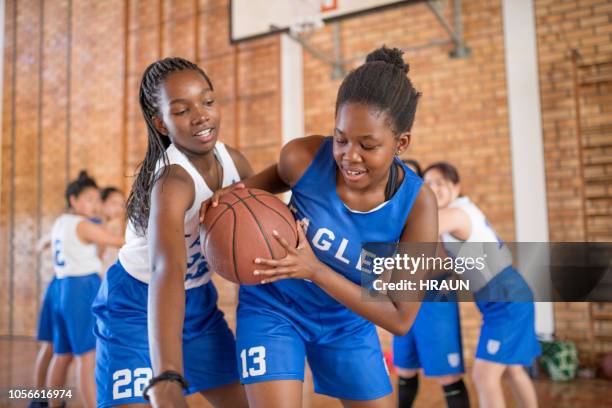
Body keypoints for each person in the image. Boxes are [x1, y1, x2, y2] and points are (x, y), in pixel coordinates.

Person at [203, 46, 438, 408]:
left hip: (348, 321)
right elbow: (240, 200)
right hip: (274, 306)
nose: (349, 155)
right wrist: (218, 208)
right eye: (341, 138)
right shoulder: (304, 158)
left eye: (368, 145)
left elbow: (400, 317)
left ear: (401, 143)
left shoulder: (417, 207)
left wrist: (314, 270)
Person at [92, 57, 252, 408]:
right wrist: (166, 374)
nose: (201, 115)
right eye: (181, 110)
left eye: (207, 101)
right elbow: (167, 271)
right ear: (160, 123)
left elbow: (258, 218)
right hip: (138, 303)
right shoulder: (172, 181)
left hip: (198, 304)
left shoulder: (233, 163)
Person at [423, 162, 540, 408]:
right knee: (513, 370)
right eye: (428, 183)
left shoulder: (454, 214)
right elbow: (442, 262)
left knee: (484, 377)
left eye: (440, 182)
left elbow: (419, 232)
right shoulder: (458, 213)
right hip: (506, 295)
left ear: (456, 186)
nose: (433, 188)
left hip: (506, 299)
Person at [46, 171, 124, 408]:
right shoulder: (82, 224)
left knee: (63, 355)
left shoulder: (62, 221)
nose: (94, 204)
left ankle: (53, 404)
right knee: (87, 357)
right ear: (74, 200)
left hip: (61, 287)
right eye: (89, 199)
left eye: (96, 200)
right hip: (80, 288)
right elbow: (120, 242)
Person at [99, 187, 126, 270]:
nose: (119, 209)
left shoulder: (118, 225)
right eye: (114, 203)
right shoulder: (92, 225)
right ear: (101, 203)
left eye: (122, 205)